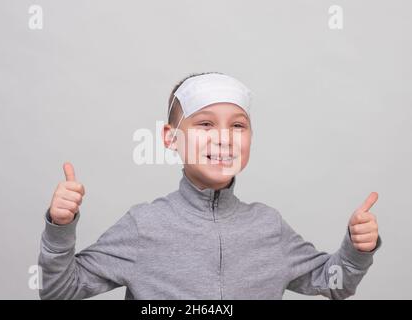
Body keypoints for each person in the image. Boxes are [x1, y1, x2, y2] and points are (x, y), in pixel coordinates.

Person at [38, 72, 381, 300]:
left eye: (237, 126)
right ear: (171, 139)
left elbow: (335, 282)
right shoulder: (144, 226)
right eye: (205, 123)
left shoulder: (269, 227)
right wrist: (60, 228)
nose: (223, 138)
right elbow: (58, 290)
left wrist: (356, 247)